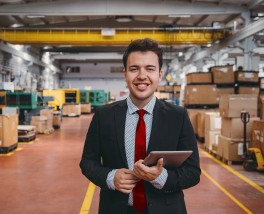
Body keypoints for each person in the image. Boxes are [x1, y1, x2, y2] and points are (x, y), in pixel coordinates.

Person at [80, 38, 201, 214]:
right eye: (134, 69)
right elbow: (87, 162)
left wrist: (161, 177)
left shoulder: (178, 117)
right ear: (125, 74)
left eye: (149, 69)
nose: (142, 76)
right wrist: (110, 178)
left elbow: (192, 172)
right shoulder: (103, 116)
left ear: (159, 75)